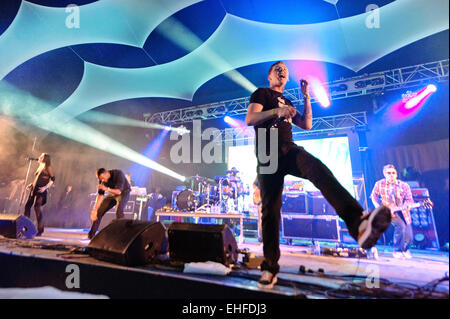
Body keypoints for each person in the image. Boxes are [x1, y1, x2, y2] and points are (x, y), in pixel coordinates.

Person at [245, 61, 391, 289]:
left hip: (288, 148)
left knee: (318, 169)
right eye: (277, 69)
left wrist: (306, 97)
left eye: (285, 69)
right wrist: (277, 111)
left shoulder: (291, 100)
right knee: (270, 210)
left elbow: (308, 125)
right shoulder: (262, 93)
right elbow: (250, 119)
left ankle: (357, 224)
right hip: (268, 153)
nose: (282, 71)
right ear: (269, 76)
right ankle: (270, 267)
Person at [370, 164, 414, 259]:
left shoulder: (404, 185)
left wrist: (407, 206)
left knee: (409, 237)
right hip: (387, 212)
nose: (391, 175)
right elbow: (373, 196)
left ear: (396, 174)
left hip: (402, 212)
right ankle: (397, 250)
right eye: (388, 173)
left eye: (393, 173)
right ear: (384, 174)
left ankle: (405, 249)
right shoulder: (379, 184)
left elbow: (410, 200)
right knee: (400, 226)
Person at [88, 168, 131, 239]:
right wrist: (95, 209)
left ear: (106, 173)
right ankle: (91, 235)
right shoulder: (102, 180)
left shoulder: (118, 174)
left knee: (119, 211)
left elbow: (118, 192)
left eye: (102, 178)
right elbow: (100, 195)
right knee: (99, 211)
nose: (102, 180)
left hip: (124, 193)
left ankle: (123, 234)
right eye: (100, 179)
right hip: (112, 194)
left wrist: (106, 189)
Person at [23, 153, 55, 236]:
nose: (39, 157)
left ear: (45, 159)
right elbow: (38, 178)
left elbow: (52, 179)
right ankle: (26, 227)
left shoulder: (47, 167)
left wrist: (45, 187)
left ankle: (40, 230)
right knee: (27, 206)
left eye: (41, 156)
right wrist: (31, 184)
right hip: (34, 188)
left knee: (37, 207)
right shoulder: (40, 166)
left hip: (41, 190)